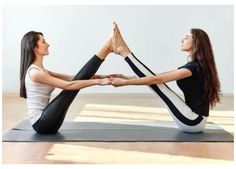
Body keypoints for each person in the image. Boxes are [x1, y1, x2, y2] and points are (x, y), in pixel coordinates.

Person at [111, 22, 221, 132]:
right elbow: (157, 76)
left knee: (158, 84)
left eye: (186, 38)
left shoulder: (194, 68)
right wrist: (126, 78)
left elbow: (157, 79)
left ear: (196, 43)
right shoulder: (194, 66)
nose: (182, 40)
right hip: (194, 120)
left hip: (193, 121)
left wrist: (124, 83)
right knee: (156, 82)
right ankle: (124, 51)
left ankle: (124, 51)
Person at [20, 26, 115, 134]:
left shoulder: (42, 71)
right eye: (43, 42)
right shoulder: (35, 73)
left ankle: (107, 48)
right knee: (71, 89)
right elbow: (68, 86)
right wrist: (98, 82)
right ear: (34, 48)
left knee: (76, 82)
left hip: (50, 121)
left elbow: (72, 78)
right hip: (42, 123)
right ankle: (106, 48)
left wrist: (97, 76)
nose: (48, 44)